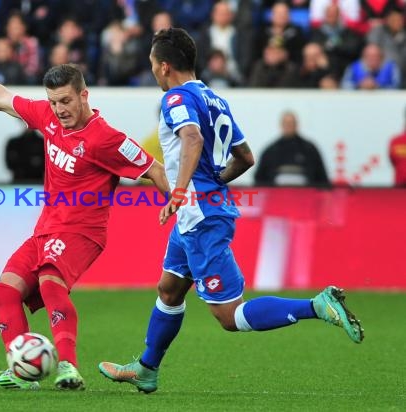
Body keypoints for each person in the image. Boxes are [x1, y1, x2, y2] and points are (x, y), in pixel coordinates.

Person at [98, 28, 364, 394]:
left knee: (230, 316)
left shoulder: (175, 98)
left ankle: (316, 305)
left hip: (200, 215)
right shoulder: (213, 99)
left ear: (163, 67)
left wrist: (181, 191)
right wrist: (209, 184)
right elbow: (246, 157)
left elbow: (192, 138)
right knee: (170, 289)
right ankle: (146, 368)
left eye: (152, 66)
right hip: (199, 211)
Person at [0, 44, 170, 390]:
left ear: (83, 95)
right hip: (46, 229)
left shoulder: (106, 138)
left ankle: (68, 367)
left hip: (83, 232)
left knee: (50, 283)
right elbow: (0, 98)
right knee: (5, 290)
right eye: (54, 102)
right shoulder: (47, 117)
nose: (59, 110)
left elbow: (155, 169)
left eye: (66, 101)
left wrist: (181, 206)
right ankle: (19, 373)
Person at [254, 111, 331, 186]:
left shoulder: (310, 149)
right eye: (286, 124)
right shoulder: (270, 151)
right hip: (277, 197)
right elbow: (259, 179)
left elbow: (322, 178)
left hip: (306, 196)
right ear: (281, 125)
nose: (289, 126)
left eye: (291, 123)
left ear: (297, 125)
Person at [389, 108, 406, 187]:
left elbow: (393, 161)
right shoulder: (396, 141)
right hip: (399, 189)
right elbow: (394, 161)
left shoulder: (395, 141)